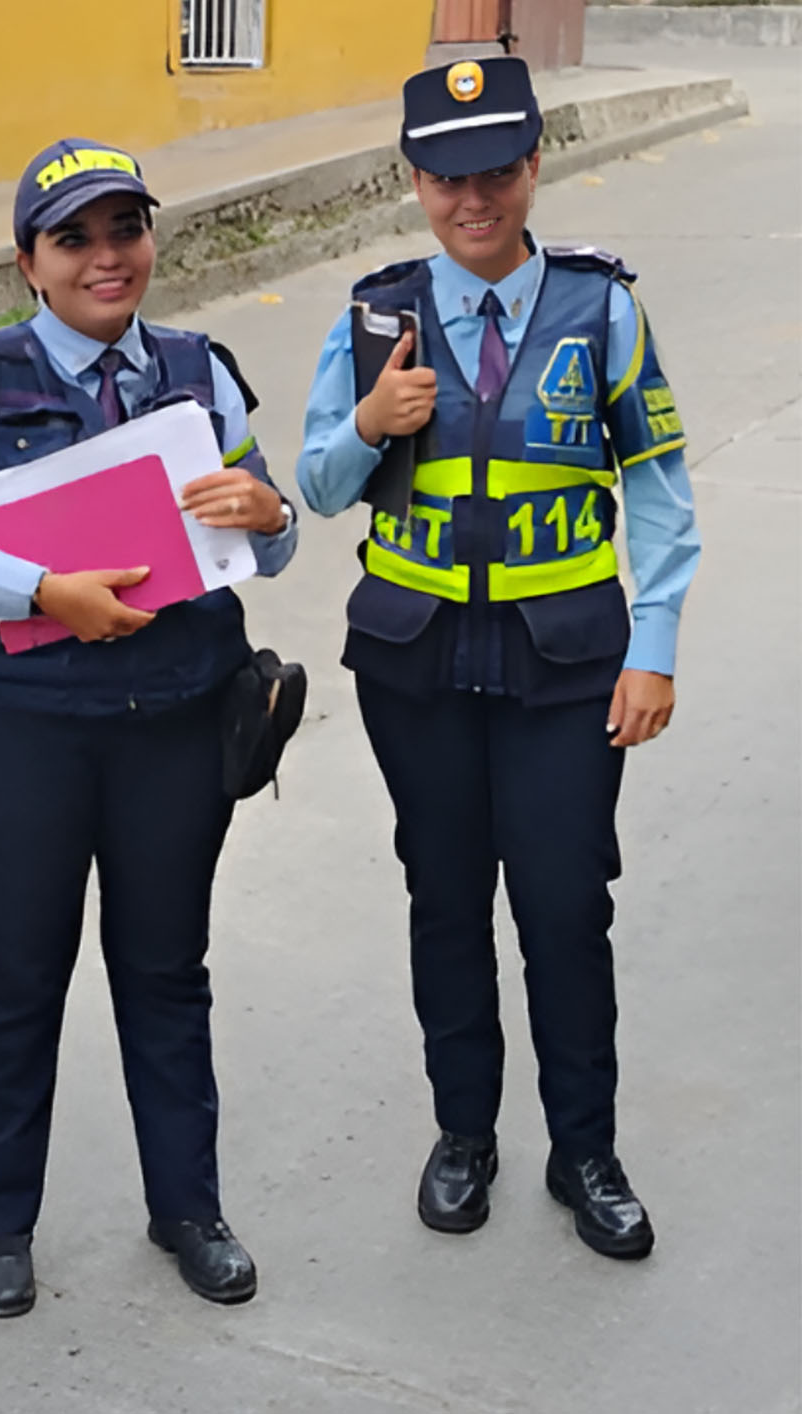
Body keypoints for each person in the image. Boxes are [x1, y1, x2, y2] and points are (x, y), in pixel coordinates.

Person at [0, 138, 298, 1319]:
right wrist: (39, 590)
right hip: (29, 733)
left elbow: (266, 539)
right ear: (29, 262)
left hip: (176, 725)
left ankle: (189, 1207)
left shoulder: (199, 374)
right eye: (74, 239)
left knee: (167, 971)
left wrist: (270, 513)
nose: (107, 258)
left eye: (125, 230)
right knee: (20, 975)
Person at [295, 56, 699, 1261]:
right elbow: (317, 487)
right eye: (446, 177)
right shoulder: (376, 318)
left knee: (566, 907)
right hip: (415, 666)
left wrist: (655, 647)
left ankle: (586, 1150)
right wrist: (370, 424)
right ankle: (463, 1133)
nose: (473, 200)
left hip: (566, 667)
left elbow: (659, 491)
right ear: (415, 181)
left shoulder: (601, 310)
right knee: (446, 897)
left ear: (533, 165)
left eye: (495, 172)